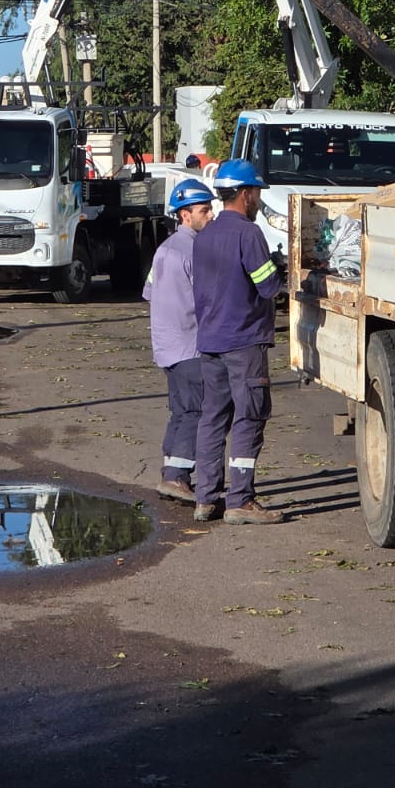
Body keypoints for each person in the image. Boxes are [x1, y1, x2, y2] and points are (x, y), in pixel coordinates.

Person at [191, 158, 286, 524]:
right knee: (249, 417)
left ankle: (205, 498)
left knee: (213, 418)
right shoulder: (249, 233)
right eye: (257, 193)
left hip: (210, 341)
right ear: (245, 194)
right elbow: (268, 286)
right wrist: (281, 270)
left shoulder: (205, 235)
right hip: (243, 342)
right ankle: (241, 500)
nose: (258, 200)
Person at [142, 178, 215, 503]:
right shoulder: (195, 251)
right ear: (185, 215)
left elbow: (149, 291)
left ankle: (171, 473)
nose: (211, 215)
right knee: (194, 412)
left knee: (180, 411)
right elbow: (209, 298)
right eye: (204, 210)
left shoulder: (164, 249)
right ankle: (175, 477)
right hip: (189, 345)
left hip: (167, 346)